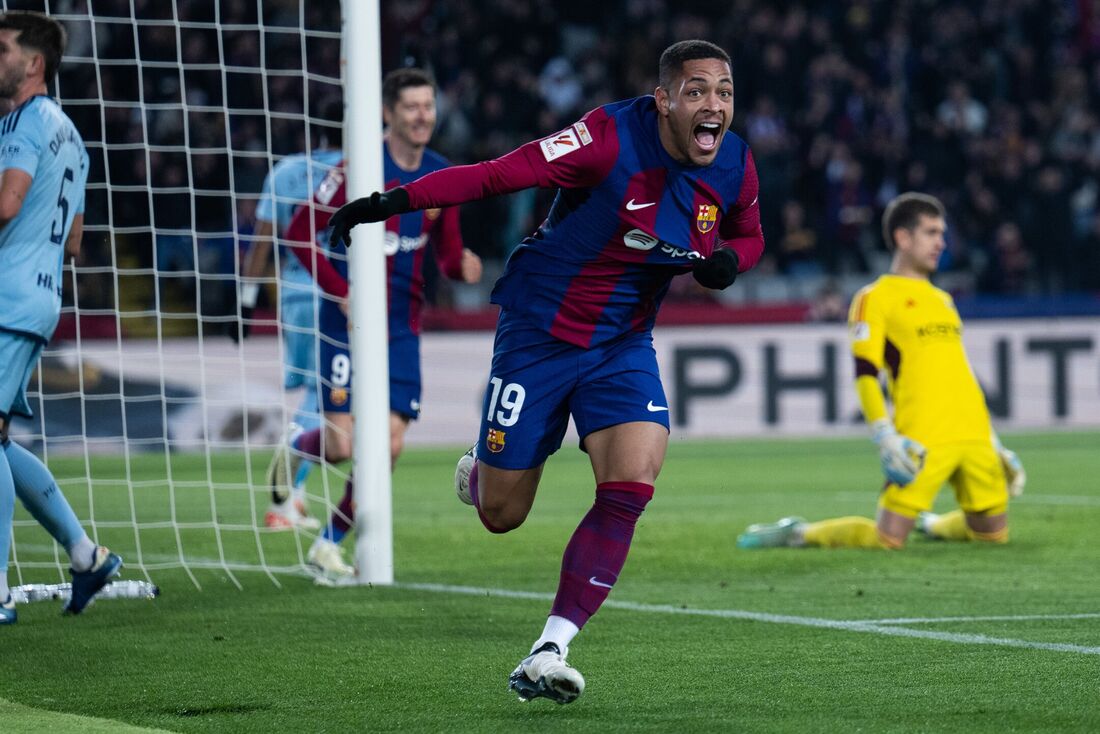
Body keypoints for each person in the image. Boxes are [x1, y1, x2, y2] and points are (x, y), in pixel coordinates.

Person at [329, 41, 764, 703]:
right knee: (502, 513)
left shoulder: (734, 163)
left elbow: (749, 233)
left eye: (725, 92)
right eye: (697, 90)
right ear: (665, 100)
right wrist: (389, 204)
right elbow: (497, 175)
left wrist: (732, 262)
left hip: (622, 344)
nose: (715, 105)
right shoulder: (607, 138)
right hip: (539, 331)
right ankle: (482, 466)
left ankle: (549, 648)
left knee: (633, 480)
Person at [278, 68, 482, 581]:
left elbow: (449, 253)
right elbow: (300, 231)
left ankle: (328, 543)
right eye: (411, 106)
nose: (422, 116)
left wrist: (463, 267)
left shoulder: (441, 174)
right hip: (346, 324)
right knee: (345, 445)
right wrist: (341, 291)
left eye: (428, 106)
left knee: (387, 448)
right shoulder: (359, 168)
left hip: (401, 328)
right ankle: (296, 451)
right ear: (388, 113)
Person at [736, 192, 1025, 552]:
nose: (942, 242)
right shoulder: (875, 298)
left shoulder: (944, 299)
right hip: (925, 436)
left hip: (975, 434)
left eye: (942, 233)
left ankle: (934, 524)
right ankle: (799, 533)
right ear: (903, 237)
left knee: (992, 535)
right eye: (932, 232)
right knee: (888, 538)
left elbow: (959, 373)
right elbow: (866, 373)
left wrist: (995, 442)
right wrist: (883, 434)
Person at [0, 11, 122, 624]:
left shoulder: (22, 123)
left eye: (2, 50)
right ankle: (85, 553)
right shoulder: (71, 134)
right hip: (40, 292)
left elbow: (7, 202)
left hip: (8, 295)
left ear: (34, 63)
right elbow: (75, 241)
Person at [234, 100, 344, 531]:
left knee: (314, 393)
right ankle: (290, 470)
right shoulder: (359, 170)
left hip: (292, 295)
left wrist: (245, 303)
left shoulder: (285, 171)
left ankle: (294, 498)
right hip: (335, 294)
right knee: (327, 395)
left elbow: (261, 242)